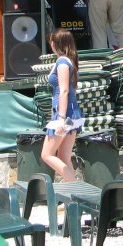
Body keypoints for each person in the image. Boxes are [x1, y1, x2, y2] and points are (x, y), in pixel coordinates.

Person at [41, 28, 84, 181]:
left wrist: (60, 118)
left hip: (65, 116)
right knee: (64, 157)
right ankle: (74, 192)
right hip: (72, 115)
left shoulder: (62, 62)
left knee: (46, 154)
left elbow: (64, 90)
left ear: (54, 44)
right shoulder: (69, 61)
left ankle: (76, 187)